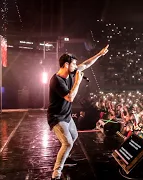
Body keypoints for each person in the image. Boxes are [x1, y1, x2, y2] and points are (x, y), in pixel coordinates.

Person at [47, 45, 109, 180]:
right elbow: (70, 97)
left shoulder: (71, 72)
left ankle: (66, 158)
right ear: (66, 64)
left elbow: (86, 64)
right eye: (74, 64)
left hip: (67, 116)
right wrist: (78, 82)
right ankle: (56, 174)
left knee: (74, 136)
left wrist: (99, 54)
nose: (76, 66)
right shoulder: (56, 80)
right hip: (57, 118)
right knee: (68, 143)